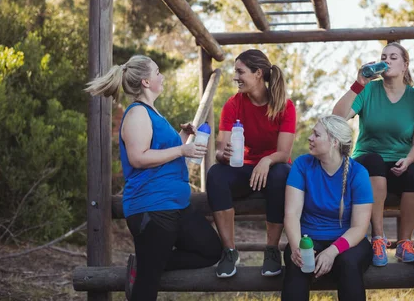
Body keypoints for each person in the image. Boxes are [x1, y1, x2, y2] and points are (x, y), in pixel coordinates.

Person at [85, 55, 222, 301]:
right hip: (152, 208)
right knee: (147, 288)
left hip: (176, 206)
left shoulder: (153, 113)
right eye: (157, 72)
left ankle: (146, 263)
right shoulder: (137, 113)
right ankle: (148, 266)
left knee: (211, 250)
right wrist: (181, 149)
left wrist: (181, 137)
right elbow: (139, 157)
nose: (162, 76)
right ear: (146, 82)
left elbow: (161, 156)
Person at [333, 42, 414, 266]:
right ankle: (378, 239)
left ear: (405, 65)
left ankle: (405, 243)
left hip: (400, 163)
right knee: (373, 162)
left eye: (394, 57)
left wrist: (409, 160)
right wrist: (358, 83)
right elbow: (337, 118)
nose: (387, 60)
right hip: (368, 162)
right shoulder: (368, 90)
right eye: (384, 56)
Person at [206, 49, 296, 278]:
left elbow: (284, 153)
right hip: (243, 169)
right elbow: (220, 148)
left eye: (240, 71)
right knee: (216, 174)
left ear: (257, 73)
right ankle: (229, 251)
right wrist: (222, 155)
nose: (235, 77)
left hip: (273, 169)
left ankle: (272, 250)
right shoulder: (233, 104)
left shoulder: (285, 106)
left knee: (281, 174)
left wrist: (266, 160)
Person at [282, 115, 373, 301]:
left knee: (348, 262)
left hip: (348, 242)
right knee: (296, 263)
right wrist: (296, 247)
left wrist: (332, 251)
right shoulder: (302, 165)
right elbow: (291, 214)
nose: (310, 138)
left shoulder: (359, 173)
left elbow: (359, 228)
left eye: (316, 134)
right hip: (308, 239)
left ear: (334, 142)